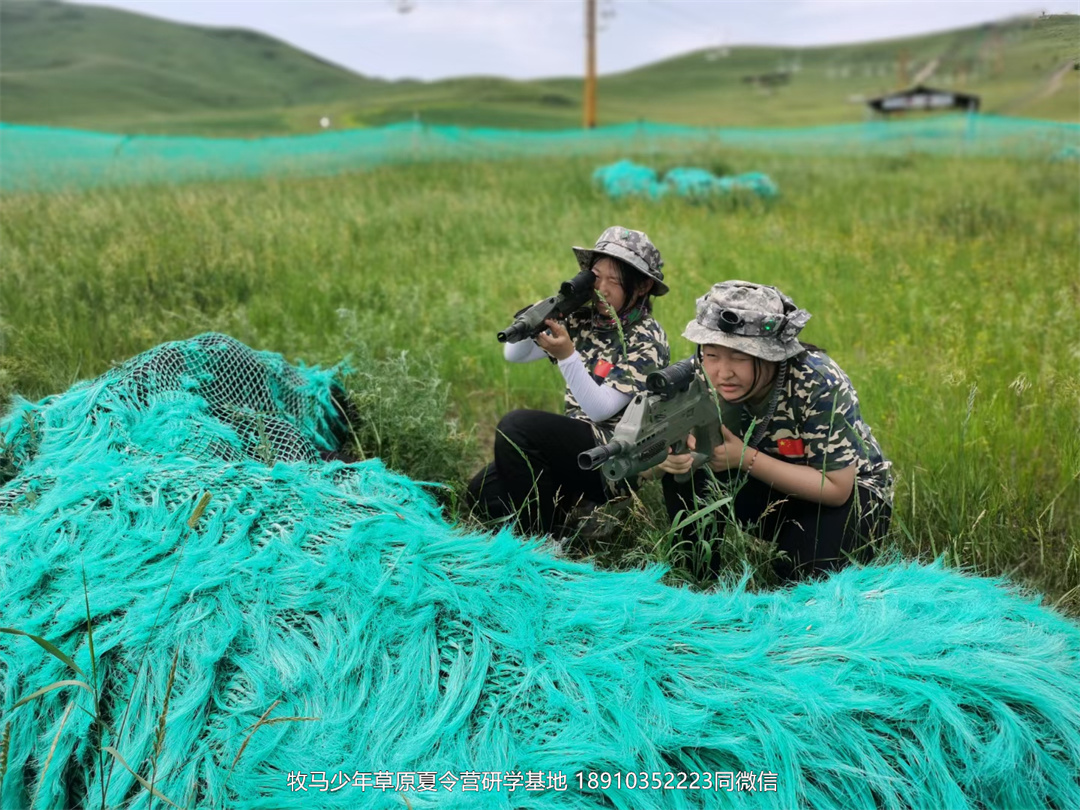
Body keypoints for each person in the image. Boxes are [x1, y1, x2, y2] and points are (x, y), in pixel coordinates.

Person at [657, 280, 894, 581]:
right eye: (712, 355)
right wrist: (670, 459)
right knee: (690, 469)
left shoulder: (819, 382)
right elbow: (652, 467)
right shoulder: (700, 372)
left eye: (740, 357)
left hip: (850, 495)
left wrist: (745, 458)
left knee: (803, 578)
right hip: (769, 481)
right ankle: (697, 575)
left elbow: (837, 488)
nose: (723, 372)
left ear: (771, 355)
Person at [467, 226, 670, 536]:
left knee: (516, 427)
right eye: (596, 277)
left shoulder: (646, 337)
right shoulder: (585, 319)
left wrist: (567, 356)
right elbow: (514, 353)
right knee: (483, 491)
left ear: (642, 286)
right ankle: (563, 515)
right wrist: (547, 309)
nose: (602, 288)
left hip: (613, 460)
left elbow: (601, 410)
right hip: (577, 451)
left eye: (614, 281)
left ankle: (541, 541)